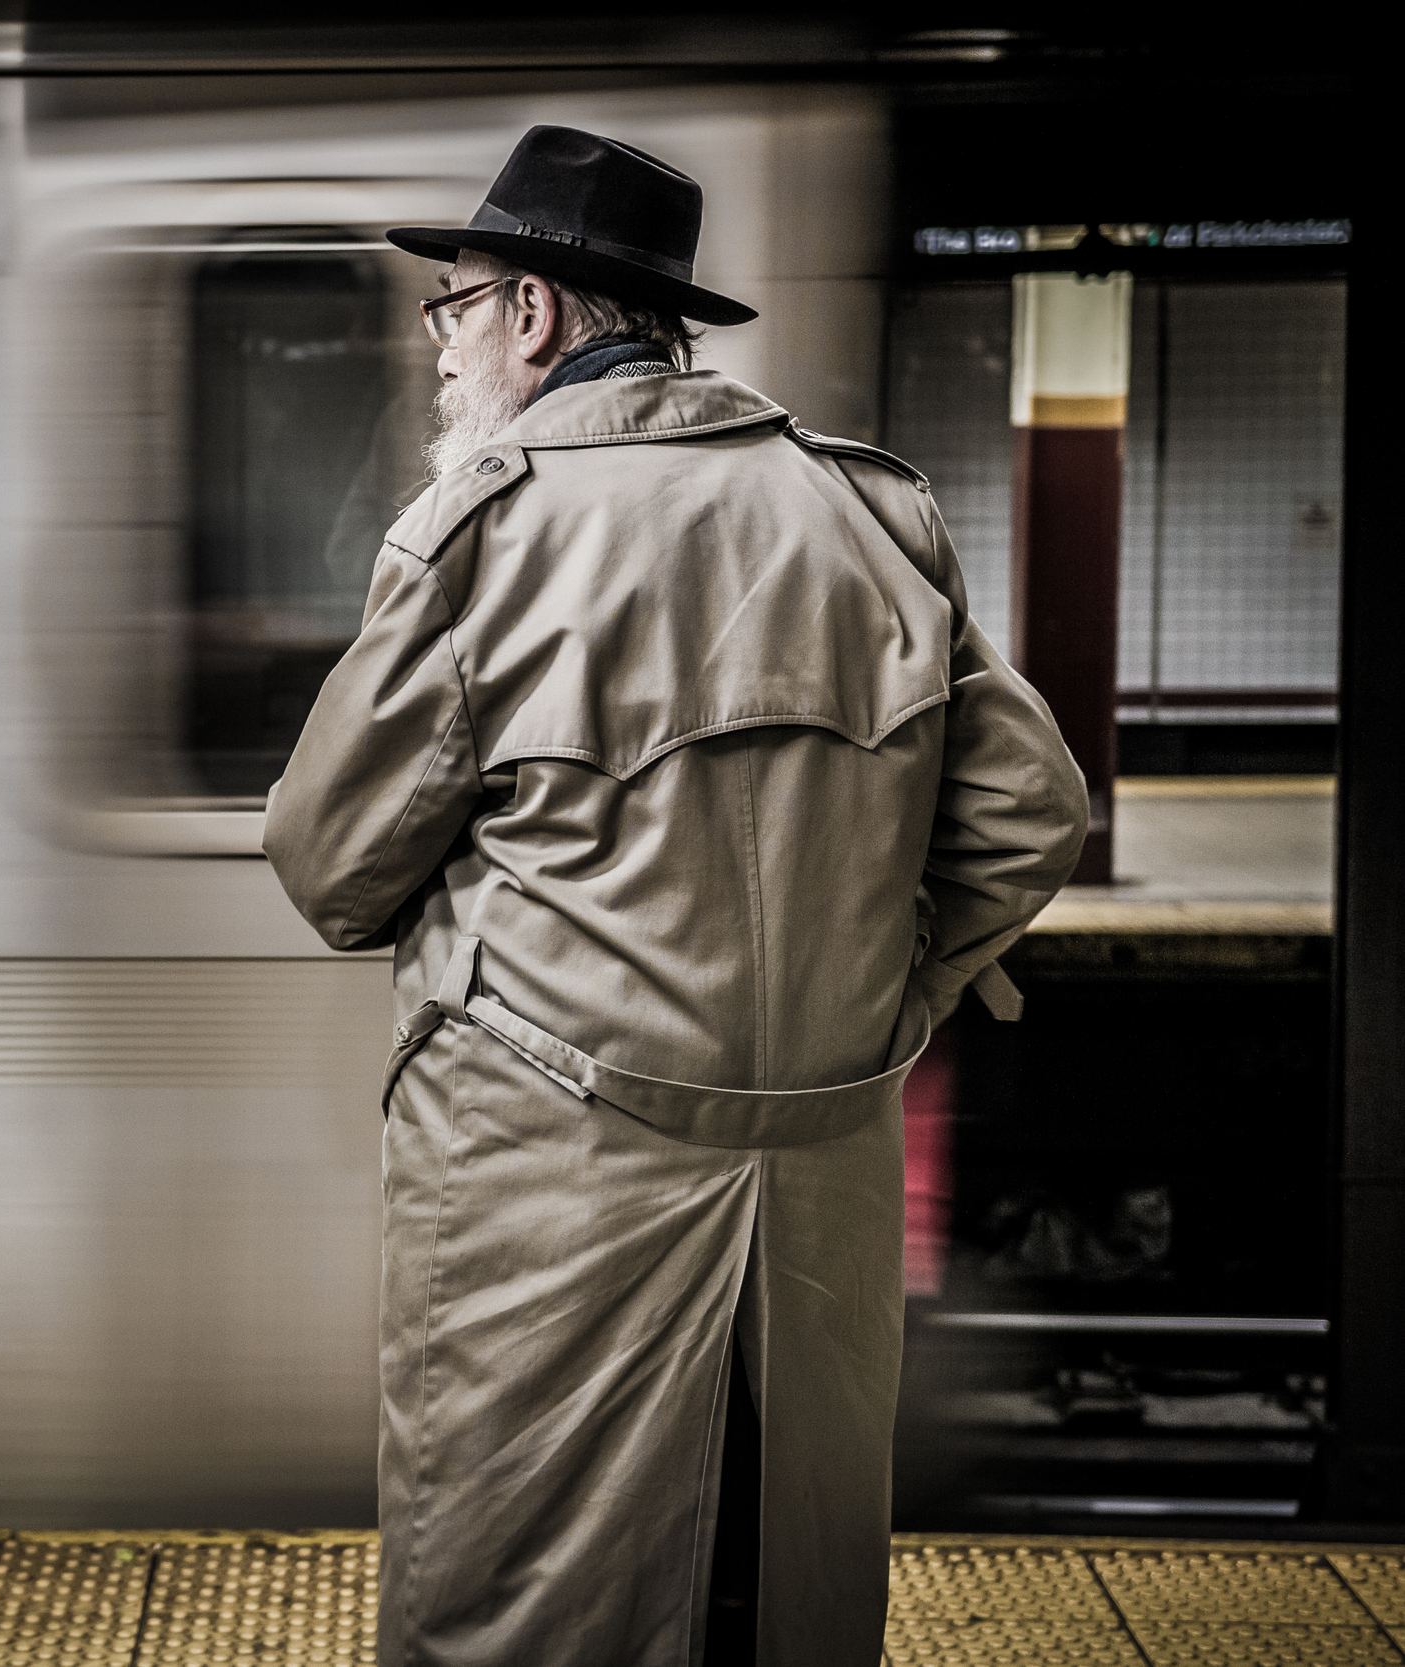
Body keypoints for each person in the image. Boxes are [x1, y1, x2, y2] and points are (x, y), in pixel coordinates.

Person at [261, 126, 1089, 1667]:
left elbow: (329, 867)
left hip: (544, 1211)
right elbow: (1032, 811)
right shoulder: (873, 518)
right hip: (816, 1208)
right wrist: (891, 988)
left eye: (456, 310)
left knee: (525, 1609)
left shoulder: (483, 537)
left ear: (536, 316)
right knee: (775, 1606)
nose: (440, 356)